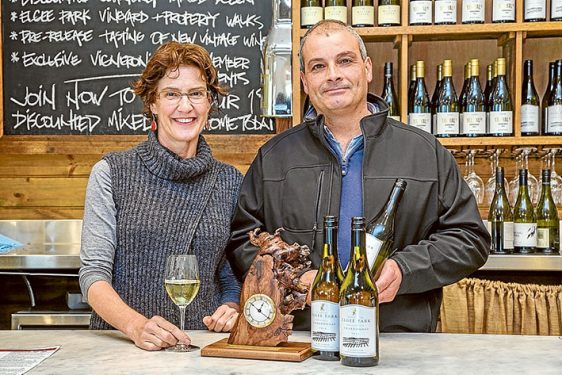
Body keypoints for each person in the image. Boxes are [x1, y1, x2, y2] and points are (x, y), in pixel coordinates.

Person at [226, 20, 490, 332]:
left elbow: (469, 238)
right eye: (318, 66)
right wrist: (293, 278)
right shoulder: (273, 158)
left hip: (397, 338)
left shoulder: (423, 152)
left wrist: (403, 269)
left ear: (367, 69)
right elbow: (243, 240)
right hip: (301, 340)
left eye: (345, 61)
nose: (333, 75)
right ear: (304, 81)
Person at [79, 41, 243, 350]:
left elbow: (229, 270)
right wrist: (135, 326)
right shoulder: (112, 173)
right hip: (122, 348)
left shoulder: (230, 181)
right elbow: (93, 275)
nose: (186, 107)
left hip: (199, 347)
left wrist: (232, 305)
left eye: (196, 93)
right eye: (171, 94)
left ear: (209, 102)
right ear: (152, 103)